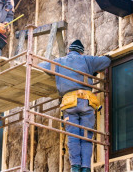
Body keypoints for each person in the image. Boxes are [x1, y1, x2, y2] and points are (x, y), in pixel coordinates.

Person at [39, 39, 111, 172]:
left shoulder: (60, 62)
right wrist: (100, 64)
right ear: (81, 52)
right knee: (85, 136)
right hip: (86, 103)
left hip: (69, 104)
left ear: (69, 51)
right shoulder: (87, 60)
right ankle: (85, 168)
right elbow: (106, 61)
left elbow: (40, 66)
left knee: (73, 136)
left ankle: (75, 167)